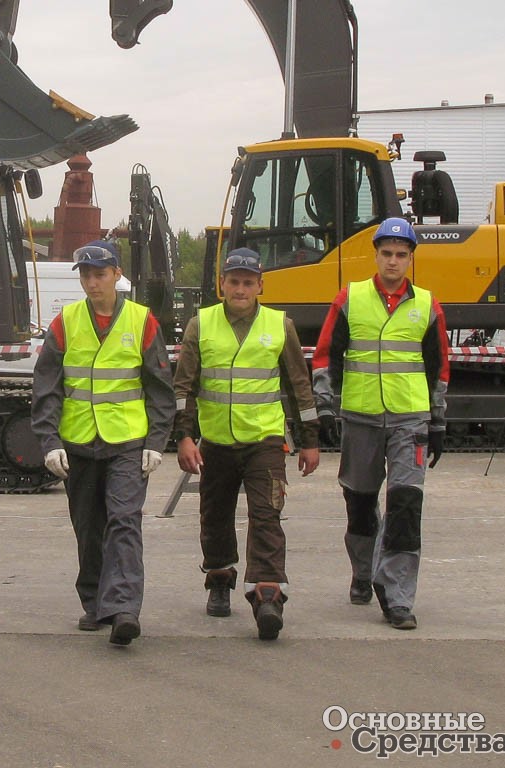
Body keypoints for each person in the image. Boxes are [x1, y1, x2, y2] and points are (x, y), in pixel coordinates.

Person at [31, 240, 175, 646]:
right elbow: (46, 388)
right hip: (78, 443)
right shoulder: (65, 322)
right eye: (86, 276)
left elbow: (160, 389)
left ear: (116, 274)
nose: (93, 283)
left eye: (100, 274)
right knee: (88, 525)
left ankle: (125, 608)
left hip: (128, 441)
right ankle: (95, 603)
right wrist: (49, 441)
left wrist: (155, 441)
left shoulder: (143, 322)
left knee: (124, 520)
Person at [174, 247, 320, 641]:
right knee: (215, 515)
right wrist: (185, 436)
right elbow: (183, 387)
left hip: (264, 440)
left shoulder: (280, 325)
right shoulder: (200, 325)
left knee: (267, 513)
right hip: (216, 441)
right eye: (233, 281)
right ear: (222, 284)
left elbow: (299, 387)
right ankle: (220, 579)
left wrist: (310, 441)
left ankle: (267, 595)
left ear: (260, 285)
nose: (240, 289)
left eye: (248, 282)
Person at [312, 217, 448, 630]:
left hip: (411, 420)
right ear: (376, 255)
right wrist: (325, 409)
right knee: (359, 504)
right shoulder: (349, 298)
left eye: (401, 255)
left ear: (411, 259)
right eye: (386, 253)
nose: (393, 261)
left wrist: (437, 420)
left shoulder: (427, 305)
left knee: (406, 506)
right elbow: (325, 357)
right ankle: (363, 571)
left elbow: (438, 367)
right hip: (361, 417)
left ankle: (397, 596)